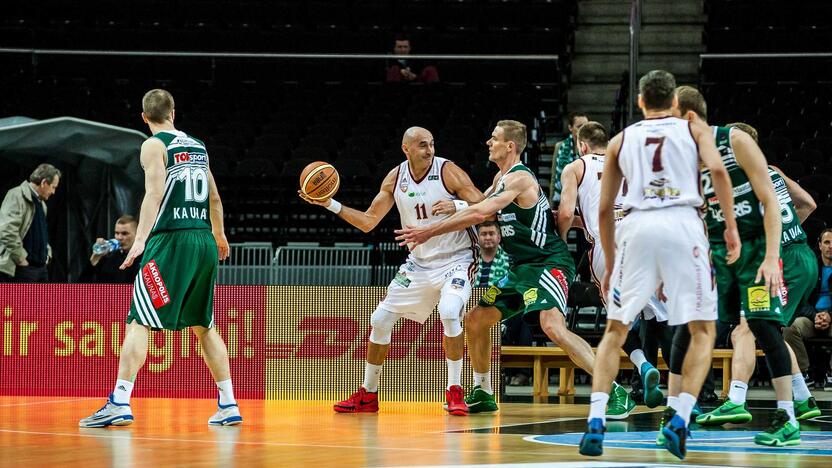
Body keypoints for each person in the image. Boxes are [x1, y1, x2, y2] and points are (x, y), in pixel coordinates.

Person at [395, 120, 630, 418]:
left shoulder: (520, 178)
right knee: (476, 320)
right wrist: (455, 206)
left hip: (548, 262)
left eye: (494, 139)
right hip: (521, 269)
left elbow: (481, 212)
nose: (488, 143)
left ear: (510, 146)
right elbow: (480, 201)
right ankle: (483, 391)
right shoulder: (500, 179)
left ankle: (613, 390)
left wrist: (429, 232)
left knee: (553, 327)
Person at [577, 71, 741, 460]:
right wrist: (730, 227)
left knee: (616, 330)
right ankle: (679, 418)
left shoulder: (620, 139)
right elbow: (718, 172)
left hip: (635, 226)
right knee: (702, 329)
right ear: (674, 102)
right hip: (681, 222)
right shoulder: (692, 129)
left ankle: (596, 421)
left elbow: (603, 208)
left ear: (640, 102)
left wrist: (612, 260)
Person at [79, 89, 241, 428]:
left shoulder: (153, 145)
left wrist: (139, 241)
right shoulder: (197, 146)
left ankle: (119, 401)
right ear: (173, 112)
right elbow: (214, 196)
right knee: (204, 326)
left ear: (143, 117)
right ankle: (228, 404)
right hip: (203, 240)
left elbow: (154, 193)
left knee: (139, 321)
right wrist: (220, 234)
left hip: (172, 241)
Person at [300, 126, 484, 415]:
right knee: (381, 319)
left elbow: (485, 204)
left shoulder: (448, 171)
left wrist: (457, 204)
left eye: (432, 144)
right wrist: (330, 204)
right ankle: (368, 394)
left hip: (457, 258)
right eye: (423, 145)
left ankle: (454, 391)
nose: (429, 150)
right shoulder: (395, 178)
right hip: (420, 263)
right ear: (406, 149)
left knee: (449, 311)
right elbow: (369, 221)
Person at [662, 86, 797, 450]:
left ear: (688, 116)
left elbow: (770, 201)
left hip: (754, 248)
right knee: (686, 327)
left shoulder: (735, 141)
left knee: (764, 328)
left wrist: (771, 257)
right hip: (717, 253)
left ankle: (787, 416)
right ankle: (674, 414)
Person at [697, 122, 822, 426]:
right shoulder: (773, 171)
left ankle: (736, 400)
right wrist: (788, 232)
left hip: (778, 260)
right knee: (769, 331)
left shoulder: (740, 176)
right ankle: (804, 399)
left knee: (745, 330)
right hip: (801, 254)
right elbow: (808, 204)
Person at [558, 121, 665, 412]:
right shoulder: (628, 161)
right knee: (658, 316)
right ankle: (677, 388)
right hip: (644, 240)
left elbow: (567, 212)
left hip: (608, 246)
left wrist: (561, 238)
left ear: (582, 145)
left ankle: (643, 367)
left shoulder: (576, 167)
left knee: (619, 319)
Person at [784, 228, 832, 383]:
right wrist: (815, 315)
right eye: (826, 242)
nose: (830, 246)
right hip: (811, 317)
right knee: (789, 327)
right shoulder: (809, 265)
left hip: (831, 318)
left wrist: (829, 315)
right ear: (819, 245)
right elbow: (799, 299)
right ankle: (803, 371)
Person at [0, 163, 61, 282]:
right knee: (20, 301)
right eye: (53, 187)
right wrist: (21, 259)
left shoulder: (42, 204)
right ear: (44, 183)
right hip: (23, 269)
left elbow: (42, 234)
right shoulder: (16, 195)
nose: (53, 192)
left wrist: (47, 254)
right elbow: (6, 230)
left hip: (40, 268)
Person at [83, 215, 142, 284]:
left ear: (137, 234)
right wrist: (94, 259)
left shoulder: (146, 258)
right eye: (117, 233)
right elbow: (81, 288)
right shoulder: (108, 259)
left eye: (124, 233)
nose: (119, 237)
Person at [549, 112, 588, 202]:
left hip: (584, 200)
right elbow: (554, 177)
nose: (583, 130)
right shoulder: (560, 146)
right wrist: (551, 203)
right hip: (563, 197)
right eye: (579, 126)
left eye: (586, 126)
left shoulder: (591, 147)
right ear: (570, 127)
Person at [474, 221, 510, 288]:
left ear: (499, 238)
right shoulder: (469, 260)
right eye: (484, 234)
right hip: (472, 297)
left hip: (502, 297)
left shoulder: (511, 261)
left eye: (491, 234)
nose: (488, 238)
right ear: (477, 238)